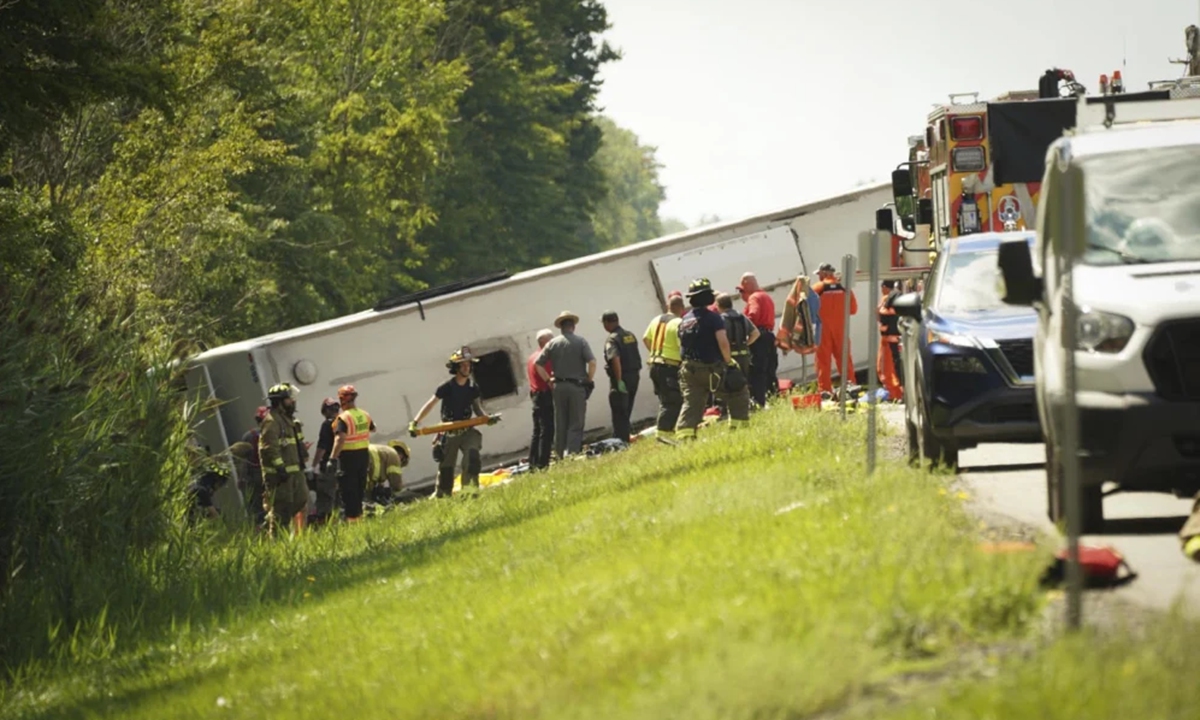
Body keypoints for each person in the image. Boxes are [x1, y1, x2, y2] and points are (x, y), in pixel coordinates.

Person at [410, 347, 500, 497]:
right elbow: (430, 404)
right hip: (449, 432)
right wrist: (415, 422)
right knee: (446, 469)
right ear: (456, 368)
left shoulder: (472, 387)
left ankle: (470, 493)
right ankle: (443, 496)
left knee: (472, 458)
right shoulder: (447, 387)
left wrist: (486, 418)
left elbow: (477, 408)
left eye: (469, 365)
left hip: (467, 430)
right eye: (463, 365)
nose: (467, 368)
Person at [675, 278, 738, 439]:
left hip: (688, 369)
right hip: (710, 368)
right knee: (738, 391)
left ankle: (684, 436)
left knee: (692, 402)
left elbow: (680, 344)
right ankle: (739, 427)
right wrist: (729, 362)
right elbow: (723, 343)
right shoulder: (713, 318)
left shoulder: (684, 320)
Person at [535, 312, 596, 458]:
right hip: (576, 386)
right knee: (576, 421)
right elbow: (592, 362)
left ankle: (559, 455)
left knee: (560, 421)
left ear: (560, 328)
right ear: (573, 326)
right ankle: (573, 454)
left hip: (559, 387)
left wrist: (548, 380)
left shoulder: (552, 343)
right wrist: (589, 378)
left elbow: (538, 364)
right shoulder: (581, 341)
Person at [258, 383, 310, 535]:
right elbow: (269, 447)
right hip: (280, 476)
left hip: (295, 472)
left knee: (301, 500)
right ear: (279, 401)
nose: (293, 402)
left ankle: (272, 521)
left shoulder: (289, 420)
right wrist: (280, 468)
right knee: (282, 509)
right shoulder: (271, 421)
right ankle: (275, 540)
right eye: (289, 399)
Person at [329, 384, 374, 521]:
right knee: (359, 490)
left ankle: (353, 524)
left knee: (349, 492)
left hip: (348, 458)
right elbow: (373, 428)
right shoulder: (364, 414)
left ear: (342, 400)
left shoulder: (343, 418)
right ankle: (359, 519)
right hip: (364, 455)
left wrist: (332, 458)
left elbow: (340, 438)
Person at [643, 292, 685, 439]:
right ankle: (663, 432)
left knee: (664, 399)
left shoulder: (656, 320)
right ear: (682, 308)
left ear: (668, 306)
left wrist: (655, 353)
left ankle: (666, 430)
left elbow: (645, 338)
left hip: (654, 365)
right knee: (673, 400)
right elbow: (682, 346)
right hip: (669, 366)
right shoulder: (678, 323)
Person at [812, 262, 858, 395]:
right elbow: (853, 310)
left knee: (823, 362)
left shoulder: (817, 288)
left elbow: (807, 309)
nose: (819, 277)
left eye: (820, 274)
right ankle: (851, 388)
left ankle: (825, 391)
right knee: (844, 360)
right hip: (841, 330)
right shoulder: (845, 288)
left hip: (822, 331)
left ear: (825, 273)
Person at [737, 272, 779, 407]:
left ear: (748, 285)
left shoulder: (754, 298)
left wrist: (742, 329)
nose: (741, 294)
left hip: (758, 338)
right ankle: (774, 397)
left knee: (757, 371)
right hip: (769, 336)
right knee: (770, 369)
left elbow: (753, 316)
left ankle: (759, 401)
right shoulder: (766, 296)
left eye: (742, 289)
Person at [715, 292, 757, 425]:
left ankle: (727, 413)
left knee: (727, 385)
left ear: (718, 305)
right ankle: (746, 410)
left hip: (729, 357)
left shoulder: (720, 320)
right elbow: (755, 333)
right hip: (744, 355)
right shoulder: (741, 316)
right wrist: (745, 344)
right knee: (743, 385)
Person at [601, 310, 643, 442]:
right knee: (627, 409)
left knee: (619, 411)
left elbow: (615, 359)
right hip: (634, 376)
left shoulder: (612, 339)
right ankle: (624, 437)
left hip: (622, 378)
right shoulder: (630, 335)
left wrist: (619, 380)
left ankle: (621, 441)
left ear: (607, 323)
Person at [309, 397, 342, 524]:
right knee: (340, 497)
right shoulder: (344, 423)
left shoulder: (327, 424)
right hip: (344, 464)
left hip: (330, 465)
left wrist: (314, 466)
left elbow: (322, 447)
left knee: (325, 497)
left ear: (326, 411)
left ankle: (325, 523)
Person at [527, 329, 555, 470]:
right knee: (547, 430)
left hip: (536, 394)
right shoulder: (543, 358)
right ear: (544, 341)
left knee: (537, 431)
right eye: (551, 339)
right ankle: (542, 463)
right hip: (544, 394)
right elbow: (549, 376)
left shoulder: (532, 357)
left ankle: (533, 463)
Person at [877, 279, 904, 401]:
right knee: (895, 366)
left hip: (887, 339)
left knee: (886, 368)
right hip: (895, 338)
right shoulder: (898, 298)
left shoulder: (886, 300)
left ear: (884, 287)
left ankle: (893, 394)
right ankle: (898, 393)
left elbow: (881, 315)